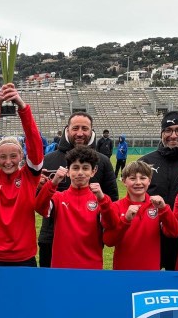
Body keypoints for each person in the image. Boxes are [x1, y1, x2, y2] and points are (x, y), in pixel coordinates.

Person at [38, 112, 119, 267]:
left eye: (84, 128)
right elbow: (39, 203)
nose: (80, 133)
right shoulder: (49, 159)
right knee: (52, 287)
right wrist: (47, 184)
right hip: (52, 239)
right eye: (75, 128)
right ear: (67, 129)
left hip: (89, 244)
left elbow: (113, 204)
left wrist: (102, 199)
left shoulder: (103, 161)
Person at [0, 84, 44, 267]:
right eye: (3, 157)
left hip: (24, 257)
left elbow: (35, 142)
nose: (8, 161)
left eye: (13, 156)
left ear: (22, 156)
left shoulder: (30, 176)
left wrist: (22, 107)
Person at [139, 111, 178, 270]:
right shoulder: (146, 161)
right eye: (168, 130)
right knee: (150, 281)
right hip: (152, 234)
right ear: (162, 133)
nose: (173, 135)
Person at [102, 160, 178, 270]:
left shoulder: (158, 206)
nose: (138, 182)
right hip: (123, 271)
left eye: (143, 178)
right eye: (133, 178)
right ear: (124, 181)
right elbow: (109, 241)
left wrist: (164, 209)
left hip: (150, 271)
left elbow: (175, 232)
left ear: (149, 180)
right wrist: (125, 220)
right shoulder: (116, 207)